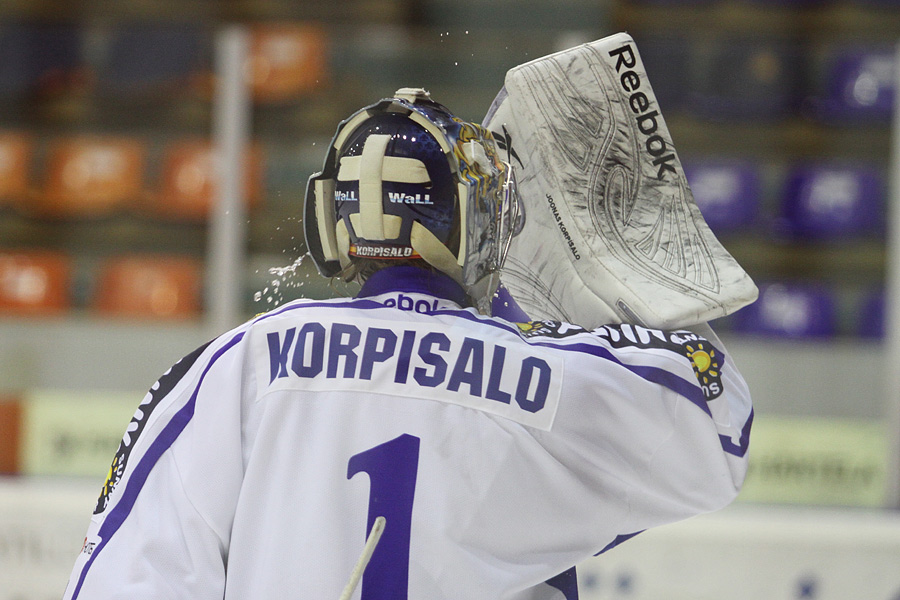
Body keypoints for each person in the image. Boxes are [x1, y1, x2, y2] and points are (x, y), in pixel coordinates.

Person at [63, 88, 752, 600]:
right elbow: (716, 424)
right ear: (473, 220)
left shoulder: (239, 363)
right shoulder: (539, 370)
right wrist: (621, 264)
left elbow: (127, 577)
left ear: (331, 221)